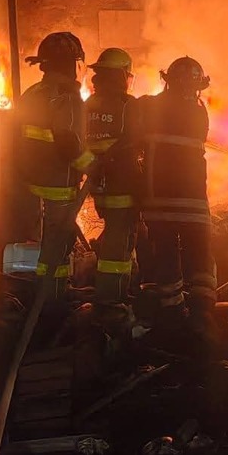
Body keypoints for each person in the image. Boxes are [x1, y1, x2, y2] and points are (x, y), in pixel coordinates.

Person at [135, 56, 217, 348]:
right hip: (194, 201)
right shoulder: (199, 113)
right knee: (200, 257)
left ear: (167, 81)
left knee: (166, 258)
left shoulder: (148, 106)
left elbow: (135, 131)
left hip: (159, 201)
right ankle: (202, 317)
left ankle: (171, 317)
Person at [16, 32, 94, 299]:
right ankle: (54, 299)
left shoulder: (32, 93)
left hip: (29, 182)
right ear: (73, 64)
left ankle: (36, 292)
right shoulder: (68, 97)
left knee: (42, 244)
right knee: (57, 248)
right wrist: (92, 166)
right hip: (58, 184)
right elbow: (68, 141)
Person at [84, 47, 141, 333]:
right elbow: (137, 141)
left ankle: (120, 286)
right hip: (123, 183)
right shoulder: (127, 105)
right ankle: (112, 301)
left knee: (116, 237)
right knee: (119, 245)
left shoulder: (88, 105)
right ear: (122, 75)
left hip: (99, 185)